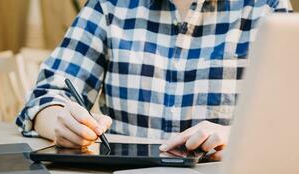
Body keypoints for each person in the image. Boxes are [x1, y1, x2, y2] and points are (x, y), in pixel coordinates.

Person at [16, 0, 292, 161]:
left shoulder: (266, 6)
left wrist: (240, 137)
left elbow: (290, 121)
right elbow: (45, 96)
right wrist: (61, 123)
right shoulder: (109, 5)